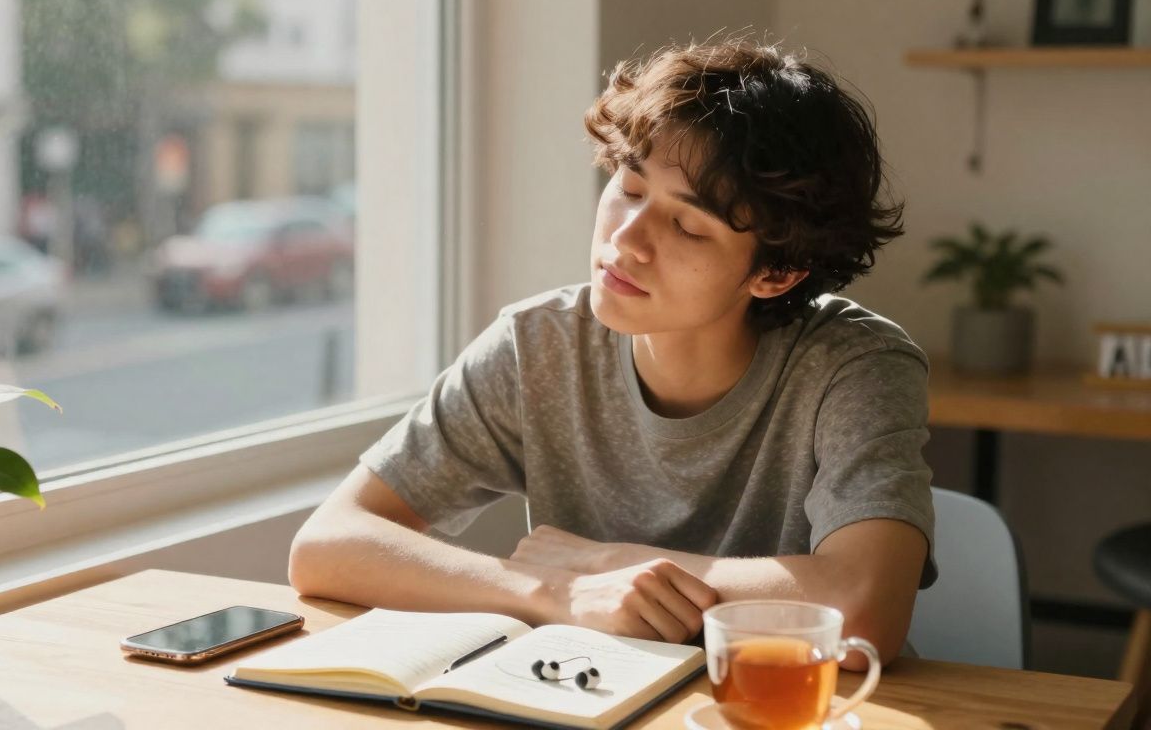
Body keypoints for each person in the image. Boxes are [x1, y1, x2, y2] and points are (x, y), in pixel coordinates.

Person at [289, 37, 935, 669]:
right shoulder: (538, 347)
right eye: (628, 188)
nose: (625, 240)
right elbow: (327, 547)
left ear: (777, 273)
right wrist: (554, 592)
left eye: (686, 225)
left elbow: (862, 609)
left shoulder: (854, 366)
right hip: (601, 700)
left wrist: (606, 563)